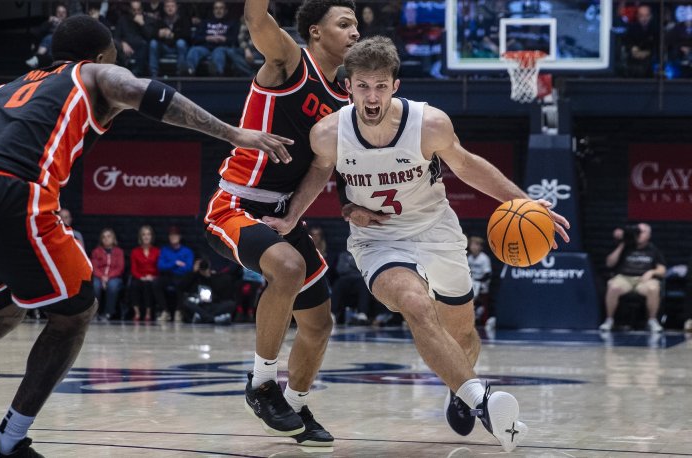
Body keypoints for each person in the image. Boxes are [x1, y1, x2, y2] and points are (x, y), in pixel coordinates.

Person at [0, 14, 292, 458]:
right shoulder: (96, 72)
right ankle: (6, 442)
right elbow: (151, 94)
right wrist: (234, 133)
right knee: (76, 311)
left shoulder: (10, 89)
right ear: (103, 53)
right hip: (10, 189)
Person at [296, 36, 571, 452]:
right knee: (416, 303)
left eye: (381, 86)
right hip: (378, 241)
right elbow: (320, 172)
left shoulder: (429, 124)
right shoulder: (328, 133)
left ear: (395, 86)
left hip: (436, 231)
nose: (372, 96)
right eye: (363, 86)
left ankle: (458, 386)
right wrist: (313, 212)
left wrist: (525, 201)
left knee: (463, 335)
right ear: (348, 86)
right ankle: (482, 400)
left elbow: (468, 166)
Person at [203, 0, 358, 446]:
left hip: (279, 213)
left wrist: (294, 215)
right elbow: (255, 18)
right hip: (234, 205)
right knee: (288, 269)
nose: (354, 34)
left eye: (357, 26)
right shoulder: (290, 61)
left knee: (319, 324)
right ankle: (262, 384)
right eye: (344, 24)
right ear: (314, 32)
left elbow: (322, 168)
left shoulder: (345, 100)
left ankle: (297, 402)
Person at [599, 223, 666, 333]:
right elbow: (609, 263)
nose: (639, 234)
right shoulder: (626, 246)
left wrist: (651, 272)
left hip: (643, 280)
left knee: (653, 288)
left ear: (649, 235)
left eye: (642, 232)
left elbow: (662, 270)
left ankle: (652, 320)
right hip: (624, 278)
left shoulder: (653, 249)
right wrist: (623, 243)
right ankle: (609, 320)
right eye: (637, 231)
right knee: (613, 286)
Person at [157, 225, 194, 322]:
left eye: (176, 235)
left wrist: (170, 266)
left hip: (181, 277)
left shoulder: (187, 251)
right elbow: (160, 266)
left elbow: (188, 268)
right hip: (169, 276)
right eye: (171, 235)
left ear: (180, 237)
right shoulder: (165, 250)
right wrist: (175, 263)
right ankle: (165, 311)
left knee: (181, 283)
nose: (173, 237)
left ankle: (179, 311)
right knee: (156, 283)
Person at [129, 225, 163, 321]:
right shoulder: (135, 252)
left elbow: (159, 267)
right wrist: (141, 277)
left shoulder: (157, 251)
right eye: (144, 234)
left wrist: (152, 277)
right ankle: (137, 312)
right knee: (135, 285)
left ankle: (148, 313)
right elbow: (133, 269)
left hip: (153, 277)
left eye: (148, 234)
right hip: (139, 277)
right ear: (140, 237)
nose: (146, 237)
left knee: (148, 286)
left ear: (152, 237)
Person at [91, 228, 125, 320]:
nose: (106, 239)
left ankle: (108, 313)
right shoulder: (96, 251)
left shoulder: (119, 252)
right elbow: (94, 267)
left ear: (114, 239)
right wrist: (102, 277)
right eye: (104, 237)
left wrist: (108, 277)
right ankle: (94, 313)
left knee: (113, 286)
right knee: (95, 285)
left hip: (114, 277)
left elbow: (120, 268)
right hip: (99, 277)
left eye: (109, 236)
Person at [467, 235, 492, 325]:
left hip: (482, 285)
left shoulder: (484, 258)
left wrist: (479, 281)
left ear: (480, 247)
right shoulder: (469, 258)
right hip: (472, 283)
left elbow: (488, 274)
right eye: (472, 245)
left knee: (483, 305)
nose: (473, 247)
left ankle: (483, 321)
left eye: (475, 245)